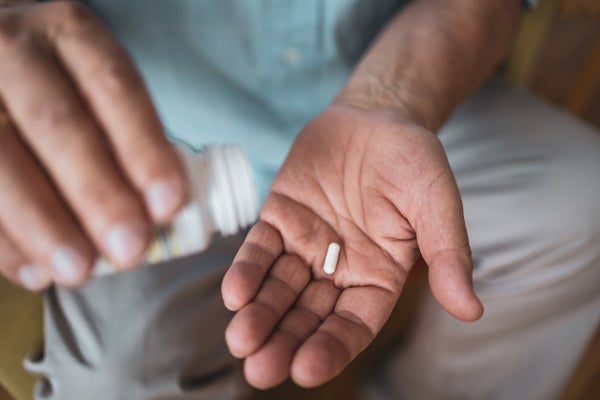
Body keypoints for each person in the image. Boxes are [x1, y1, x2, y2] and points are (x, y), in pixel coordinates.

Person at [0, 0, 598, 399]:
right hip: (151, 148)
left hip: (392, 88)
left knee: (579, 207)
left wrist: (389, 100)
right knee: (117, 380)